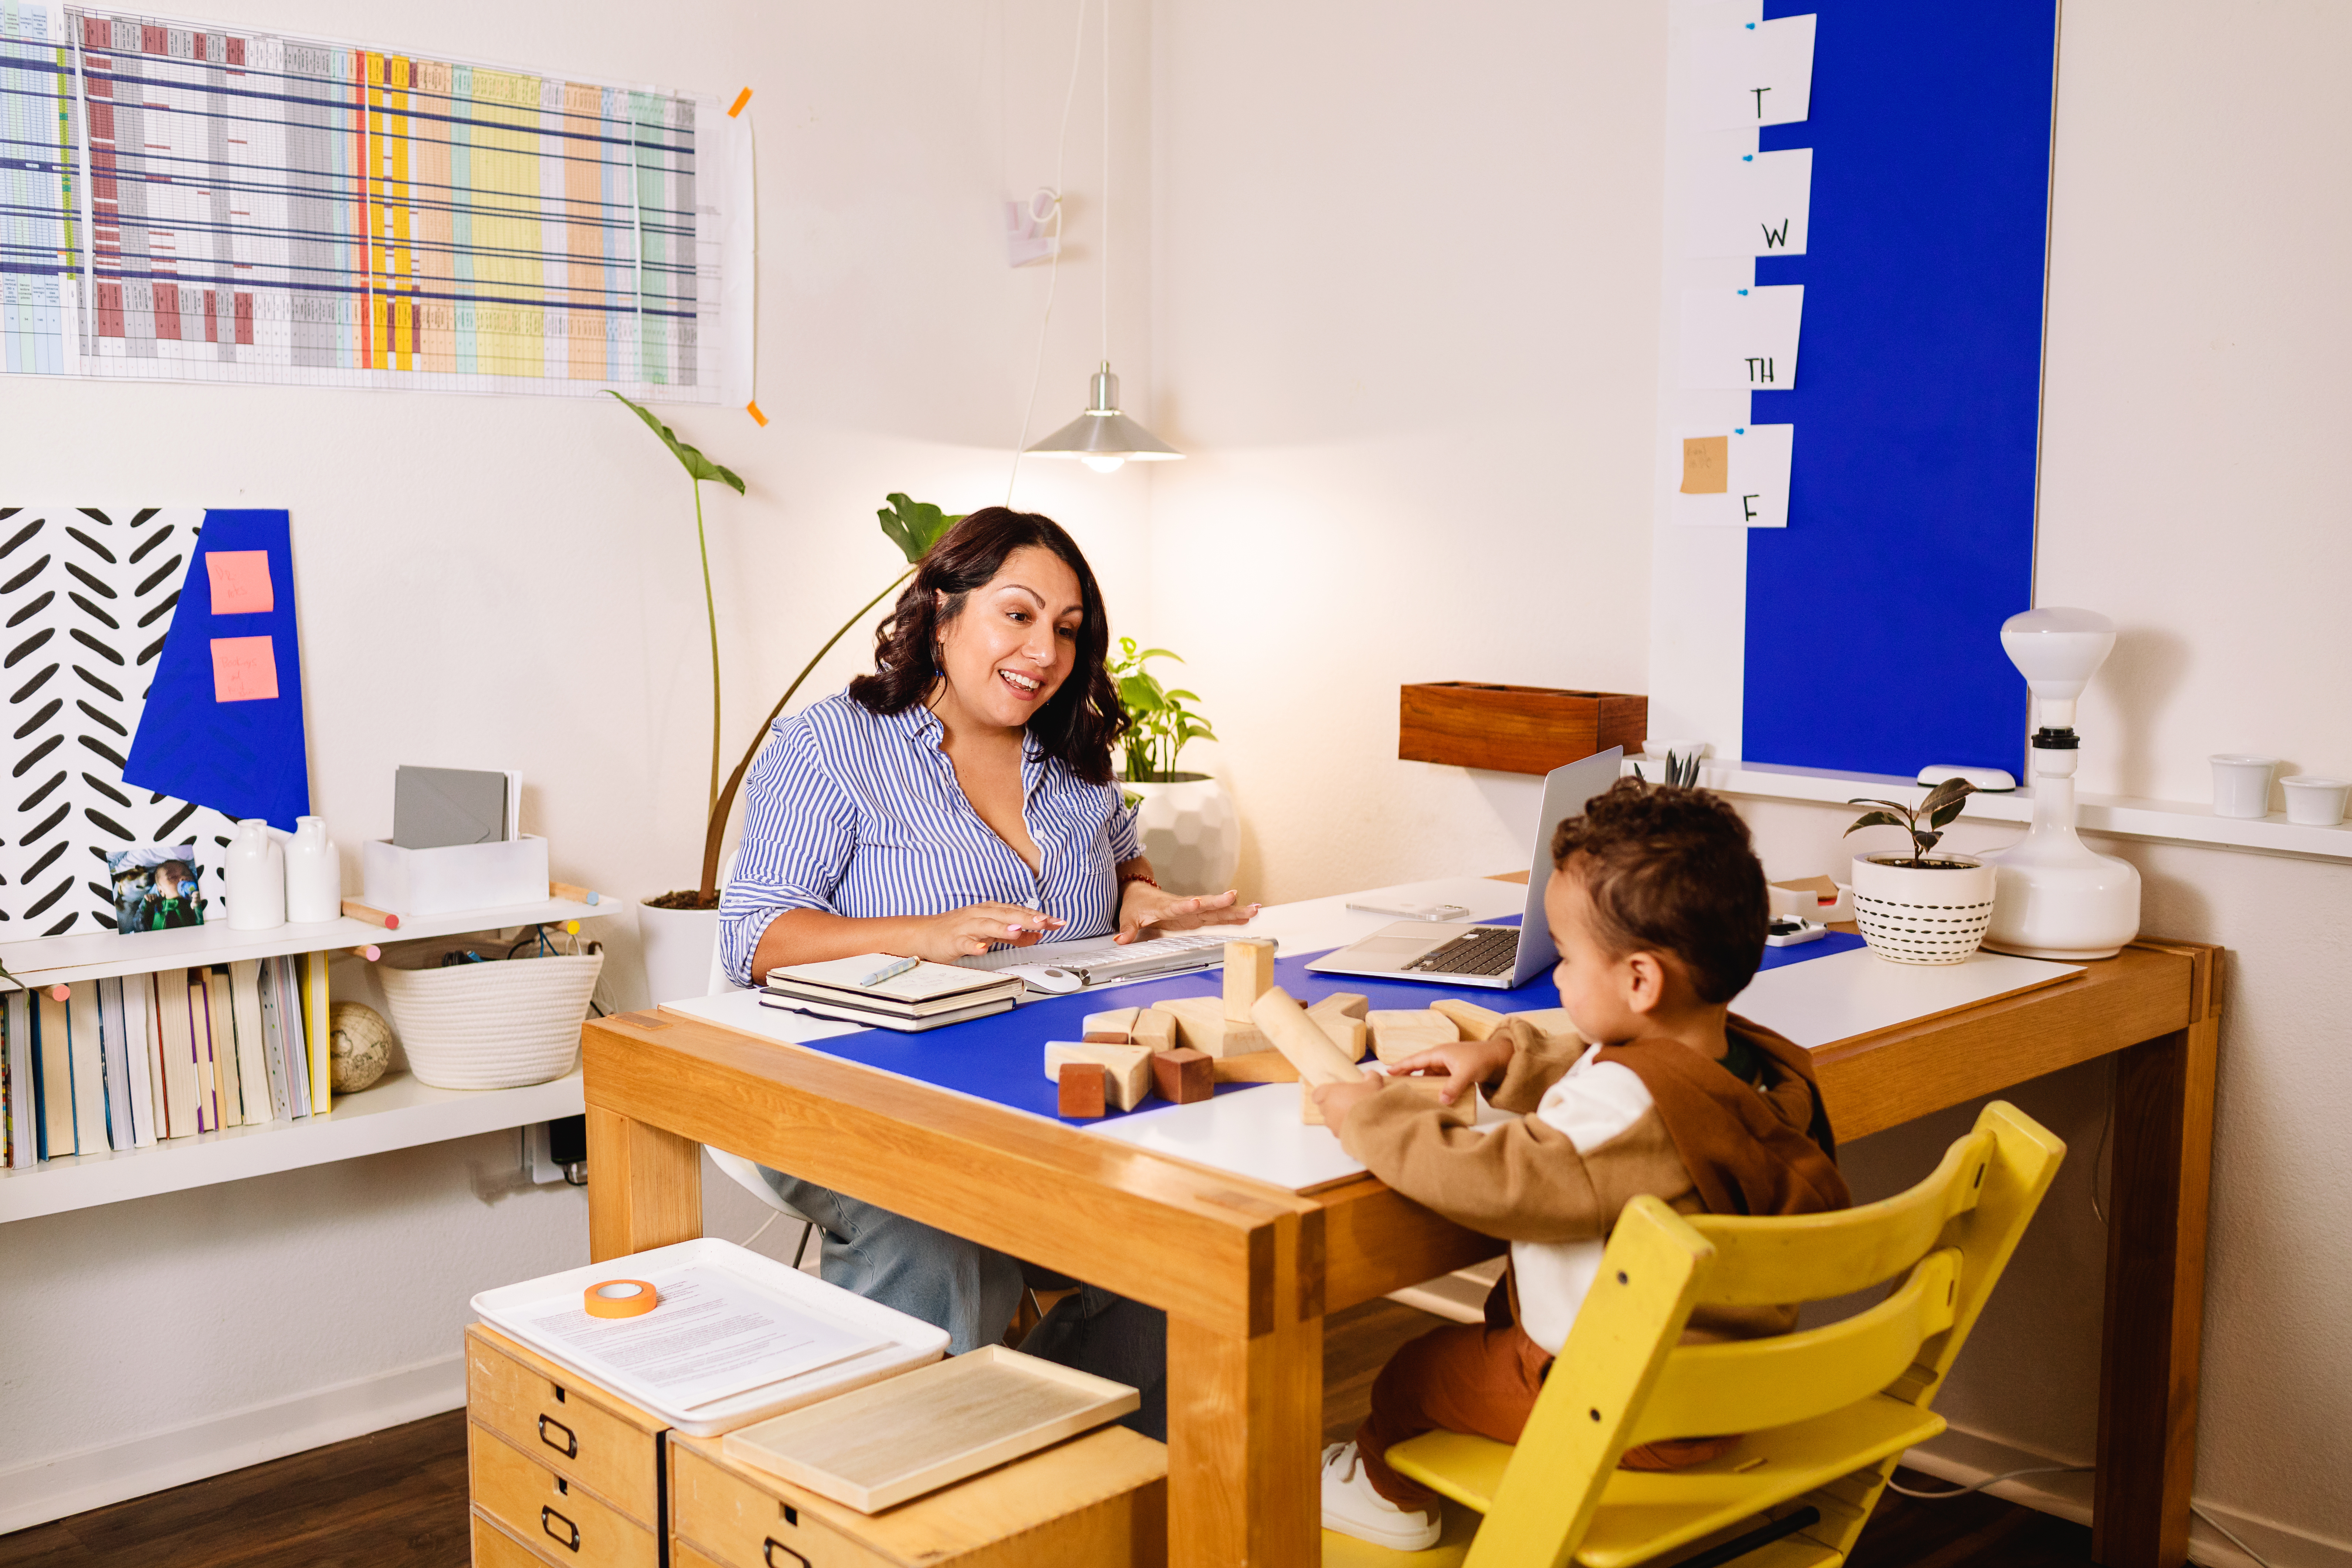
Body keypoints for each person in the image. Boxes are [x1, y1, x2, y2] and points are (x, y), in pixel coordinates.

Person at [717, 506, 1258, 1356]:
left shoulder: (1072, 754)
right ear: (942, 611)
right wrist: (923, 934)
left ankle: (1061, 1422)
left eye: (1066, 630)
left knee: (1194, 1241)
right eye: (1018, 615)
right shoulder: (830, 746)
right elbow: (754, 938)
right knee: (940, 1238)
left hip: (1044, 1084)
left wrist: (1139, 898)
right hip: (865, 1089)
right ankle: (931, 1433)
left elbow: (1123, 860)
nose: (1044, 652)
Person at [1309, 779, 1851, 1551]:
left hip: (1617, 1400)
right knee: (1485, 1339)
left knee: (1415, 1374)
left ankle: (1383, 1499)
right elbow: (1629, 1061)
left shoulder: (1623, 1111)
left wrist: (1367, 1117)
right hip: (1728, 1386)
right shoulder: (1758, 1067)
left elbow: (1494, 1178)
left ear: (1639, 981)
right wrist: (1505, 1054)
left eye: (1565, 958)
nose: (1556, 976)